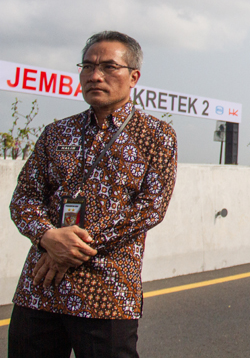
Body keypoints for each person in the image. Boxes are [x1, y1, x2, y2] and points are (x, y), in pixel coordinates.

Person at [8, 31, 178, 358]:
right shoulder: (56, 132)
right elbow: (25, 198)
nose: (95, 75)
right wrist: (47, 236)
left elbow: (150, 207)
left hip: (107, 294)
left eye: (109, 67)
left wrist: (71, 246)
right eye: (87, 66)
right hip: (40, 287)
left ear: (133, 77)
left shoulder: (157, 136)